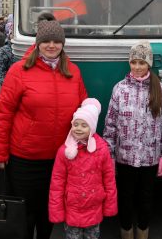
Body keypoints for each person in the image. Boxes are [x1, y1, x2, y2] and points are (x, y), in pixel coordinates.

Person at [0, 20, 88, 239]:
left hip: (59, 159)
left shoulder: (73, 71)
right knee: (24, 214)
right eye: (46, 41)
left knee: (49, 211)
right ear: (37, 43)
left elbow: (84, 110)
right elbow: (3, 113)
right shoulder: (19, 71)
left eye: (56, 41)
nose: (51, 46)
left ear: (63, 44)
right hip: (25, 158)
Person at [103, 41, 162, 239]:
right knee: (125, 200)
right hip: (124, 158)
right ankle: (126, 234)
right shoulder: (120, 89)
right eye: (133, 62)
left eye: (141, 62)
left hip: (149, 159)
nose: (137, 67)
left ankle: (143, 234)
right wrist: (109, 154)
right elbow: (110, 124)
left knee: (146, 200)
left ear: (148, 64)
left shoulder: (160, 89)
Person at [48, 99, 117, 239]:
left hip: (94, 209)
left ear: (92, 128)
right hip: (72, 210)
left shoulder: (102, 149)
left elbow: (109, 179)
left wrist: (110, 205)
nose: (78, 128)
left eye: (84, 125)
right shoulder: (65, 151)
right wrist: (57, 211)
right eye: (76, 124)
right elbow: (57, 184)